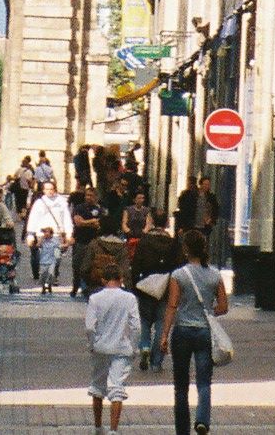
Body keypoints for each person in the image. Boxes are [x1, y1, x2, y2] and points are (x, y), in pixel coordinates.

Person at [160, 229, 229, 435]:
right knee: (204, 381)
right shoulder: (215, 275)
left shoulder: (179, 275)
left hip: (182, 331)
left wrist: (164, 335)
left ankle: (182, 430)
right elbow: (223, 306)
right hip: (204, 332)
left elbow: (172, 305)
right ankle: (202, 420)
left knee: (181, 385)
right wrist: (208, 312)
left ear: (186, 249)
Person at [85, 259, 140, 433]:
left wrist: (92, 343)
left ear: (103, 279)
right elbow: (136, 326)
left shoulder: (95, 299)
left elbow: (89, 326)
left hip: (101, 347)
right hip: (121, 347)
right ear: (121, 279)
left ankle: (98, 426)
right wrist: (133, 346)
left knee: (97, 386)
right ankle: (114, 429)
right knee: (117, 387)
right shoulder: (129, 298)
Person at [131, 209, 181, 372]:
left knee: (144, 320)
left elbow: (136, 264)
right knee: (161, 322)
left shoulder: (144, 241)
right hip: (166, 287)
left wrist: (135, 284)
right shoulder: (173, 243)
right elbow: (178, 266)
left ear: (151, 222)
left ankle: (145, 345)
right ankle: (156, 360)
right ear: (166, 223)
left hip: (146, 285)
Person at [27, 179, 73, 285]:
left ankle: (54, 274)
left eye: (51, 189)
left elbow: (66, 218)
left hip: (56, 233)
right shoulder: (39, 203)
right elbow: (33, 218)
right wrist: (30, 234)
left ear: (55, 189)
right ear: (43, 190)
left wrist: (69, 233)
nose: (49, 191)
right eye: (47, 189)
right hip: (41, 234)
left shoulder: (61, 202)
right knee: (43, 256)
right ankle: (43, 274)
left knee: (57, 256)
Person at [70, 184, 103, 298]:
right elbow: (78, 222)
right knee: (77, 265)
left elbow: (99, 225)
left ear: (96, 197)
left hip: (94, 242)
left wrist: (85, 222)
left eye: (91, 195)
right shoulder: (79, 208)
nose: (88, 197)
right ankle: (75, 286)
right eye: (87, 195)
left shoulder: (100, 210)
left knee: (91, 266)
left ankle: (88, 287)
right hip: (80, 241)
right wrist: (92, 221)